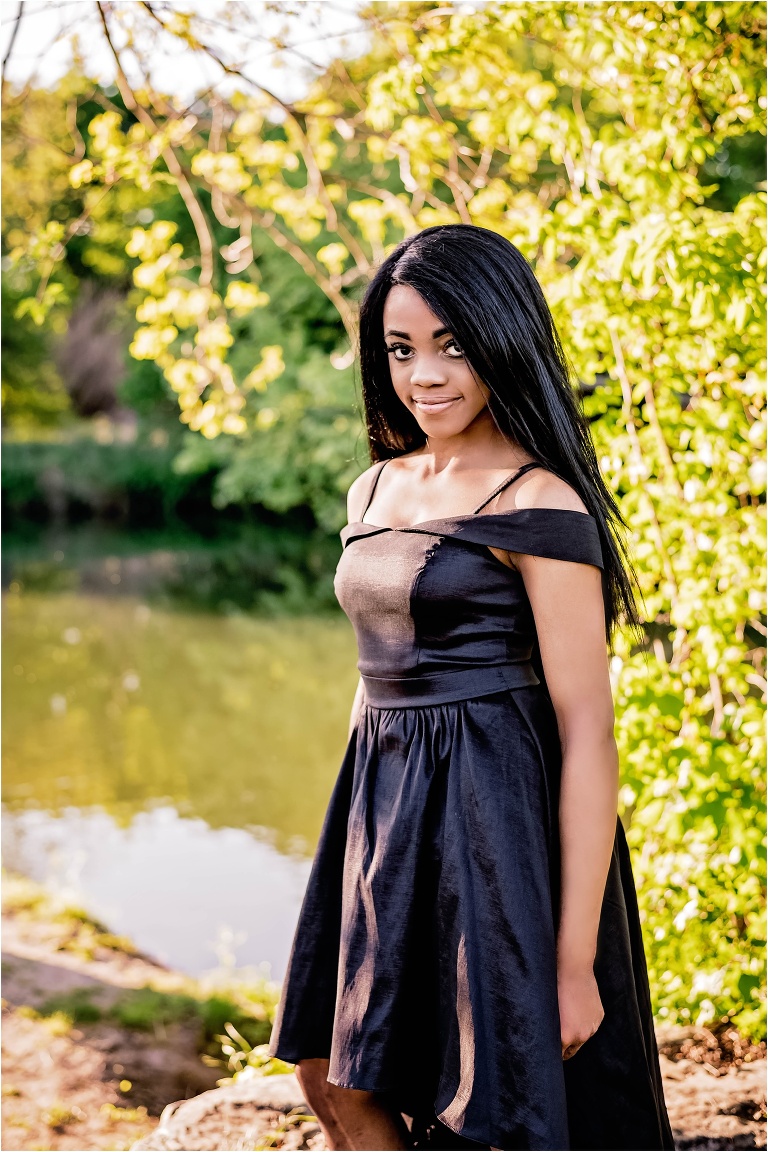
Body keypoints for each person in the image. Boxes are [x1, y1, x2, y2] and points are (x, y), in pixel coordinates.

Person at [268, 224, 675, 1152]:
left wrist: (574, 963)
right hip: (384, 811)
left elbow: (587, 734)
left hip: (496, 825)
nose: (426, 375)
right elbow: (378, 676)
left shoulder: (539, 503)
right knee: (332, 1074)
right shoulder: (373, 490)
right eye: (402, 349)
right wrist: (357, 838)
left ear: (501, 338)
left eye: (453, 344)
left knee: (488, 1105)